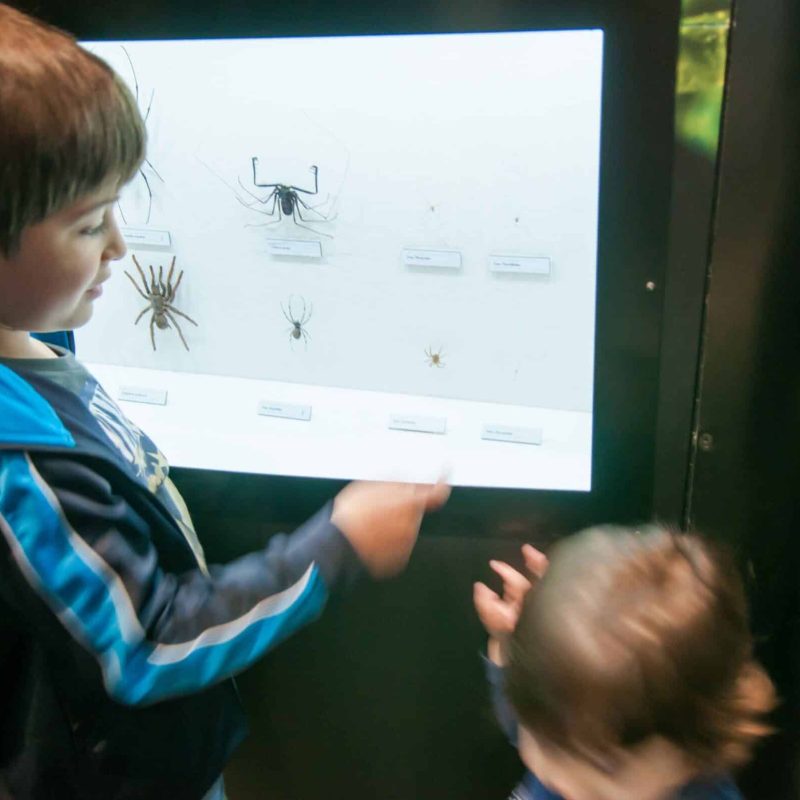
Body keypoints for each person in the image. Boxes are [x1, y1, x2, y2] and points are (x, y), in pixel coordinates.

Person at [0, 5, 449, 798]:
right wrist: (334, 546)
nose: (118, 248)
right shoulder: (21, 469)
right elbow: (144, 646)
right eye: (90, 224)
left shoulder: (34, 344)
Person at [473, 526, 776, 800]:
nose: (559, 782)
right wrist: (505, 640)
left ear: (697, 755)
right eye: (544, 743)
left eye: (605, 769)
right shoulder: (559, 726)